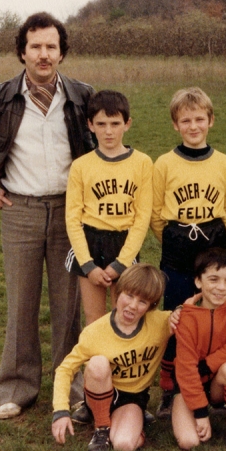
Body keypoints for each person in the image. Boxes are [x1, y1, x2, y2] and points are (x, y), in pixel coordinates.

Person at [0, 12, 94, 420]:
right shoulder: (0, 96)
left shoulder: (82, 94)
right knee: (21, 302)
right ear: (22, 52)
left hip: (71, 212)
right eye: (35, 46)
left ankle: (71, 389)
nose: (44, 54)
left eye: (51, 46)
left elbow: (105, 144)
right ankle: (17, 387)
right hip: (20, 211)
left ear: (62, 52)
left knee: (68, 304)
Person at [151, 87, 226, 418]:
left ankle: (208, 384)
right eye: (185, 120)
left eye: (199, 119)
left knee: (211, 317)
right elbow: (157, 214)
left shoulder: (224, 163)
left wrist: (212, 242)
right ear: (175, 124)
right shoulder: (165, 163)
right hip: (176, 249)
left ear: (210, 121)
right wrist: (173, 239)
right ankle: (170, 389)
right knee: (176, 318)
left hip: (212, 246)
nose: (193, 126)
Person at [51, 263, 172, 451]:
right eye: (129, 295)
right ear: (118, 292)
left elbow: (188, 317)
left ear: (151, 306)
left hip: (132, 396)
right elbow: (65, 369)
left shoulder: (160, 323)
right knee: (98, 363)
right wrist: (60, 411)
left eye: (143, 302)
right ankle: (101, 427)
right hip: (99, 389)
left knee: (123, 445)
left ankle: (131, 424)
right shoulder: (95, 332)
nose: (133, 305)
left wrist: (183, 308)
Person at [66, 90, 154, 326]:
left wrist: (121, 263)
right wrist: (88, 265)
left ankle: (121, 364)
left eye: (115, 123)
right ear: (90, 125)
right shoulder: (81, 166)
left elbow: (142, 218)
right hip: (90, 243)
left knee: (124, 316)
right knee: (94, 318)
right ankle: (94, 365)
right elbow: (73, 219)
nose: (108, 131)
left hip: (124, 243)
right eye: (101, 123)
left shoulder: (143, 163)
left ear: (127, 124)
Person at [171, 248, 226, 451]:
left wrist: (207, 366)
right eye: (213, 279)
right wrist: (200, 414)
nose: (221, 287)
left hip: (218, 382)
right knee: (189, 441)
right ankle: (190, 408)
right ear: (199, 282)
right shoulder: (187, 315)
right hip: (189, 383)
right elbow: (186, 369)